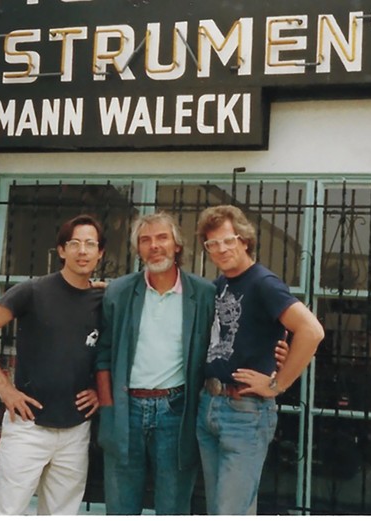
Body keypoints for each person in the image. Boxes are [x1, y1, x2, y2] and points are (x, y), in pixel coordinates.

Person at [95, 211, 289, 515]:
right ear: (138, 248)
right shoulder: (119, 292)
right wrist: (107, 405)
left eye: (162, 238)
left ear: (177, 245)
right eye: (145, 240)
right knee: (121, 504)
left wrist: (276, 358)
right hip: (125, 410)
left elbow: (238, 332)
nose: (154, 245)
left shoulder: (205, 293)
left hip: (177, 410)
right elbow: (103, 353)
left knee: (174, 503)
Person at [0, 214, 105, 515]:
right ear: (61, 250)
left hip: (75, 429)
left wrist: (98, 390)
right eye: (74, 243)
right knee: (7, 512)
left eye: (90, 244)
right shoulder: (33, 290)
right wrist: (4, 386)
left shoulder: (104, 299)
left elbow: (116, 350)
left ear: (100, 253)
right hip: (29, 425)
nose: (82, 251)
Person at [195, 204, 325, 515]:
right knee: (222, 509)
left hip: (245, 412)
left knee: (230, 511)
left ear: (245, 240)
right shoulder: (219, 286)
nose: (222, 249)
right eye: (213, 244)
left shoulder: (263, 282)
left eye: (229, 240)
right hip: (210, 407)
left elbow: (311, 330)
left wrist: (277, 384)